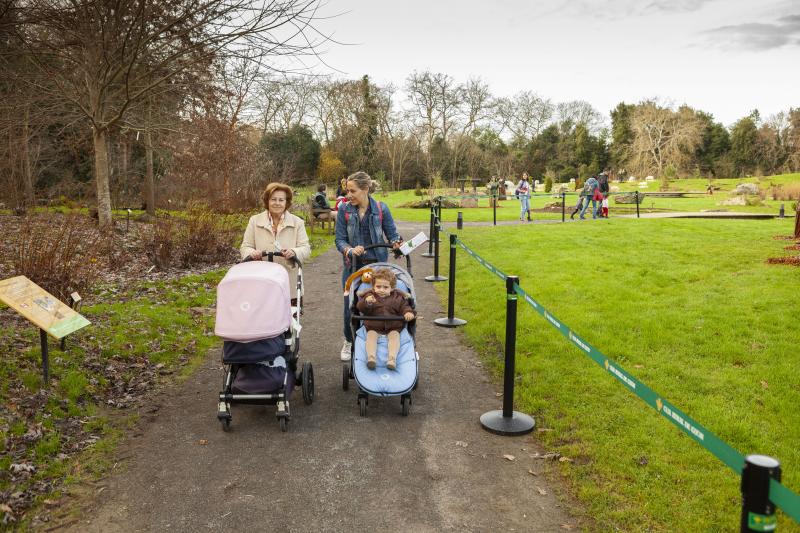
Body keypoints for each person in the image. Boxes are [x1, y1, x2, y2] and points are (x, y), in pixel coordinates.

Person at [335, 171, 402, 361]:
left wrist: (396, 243)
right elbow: (339, 239)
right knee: (350, 307)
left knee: (379, 303)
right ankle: (349, 341)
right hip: (353, 268)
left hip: (378, 268)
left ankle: (378, 339)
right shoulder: (344, 210)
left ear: (365, 189)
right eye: (347, 191)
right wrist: (349, 249)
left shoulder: (381, 209)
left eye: (352, 191)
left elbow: (393, 234)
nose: (348, 195)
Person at [240, 182, 311, 302]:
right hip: (261, 281)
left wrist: (294, 252)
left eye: (281, 200)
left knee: (290, 314)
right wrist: (251, 253)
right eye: (273, 199)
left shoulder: (297, 222)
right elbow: (245, 246)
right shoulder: (254, 221)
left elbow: (306, 248)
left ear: (286, 202)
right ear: (267, 201)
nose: (277, 203)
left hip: (289, 283)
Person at [355, 268, 414, 370]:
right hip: (373, 326)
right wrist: (367, 302)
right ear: (373, 286)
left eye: (385, 287)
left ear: (392, 288)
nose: (381, 290)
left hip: (393, 327)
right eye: (378, 287)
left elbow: (405, 307)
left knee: (395, 336)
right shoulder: (369, 296)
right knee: (371, 335)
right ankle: (371, 358)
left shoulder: (398, 298)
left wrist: (408, 313)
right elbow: (360, 308)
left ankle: (392, 359)